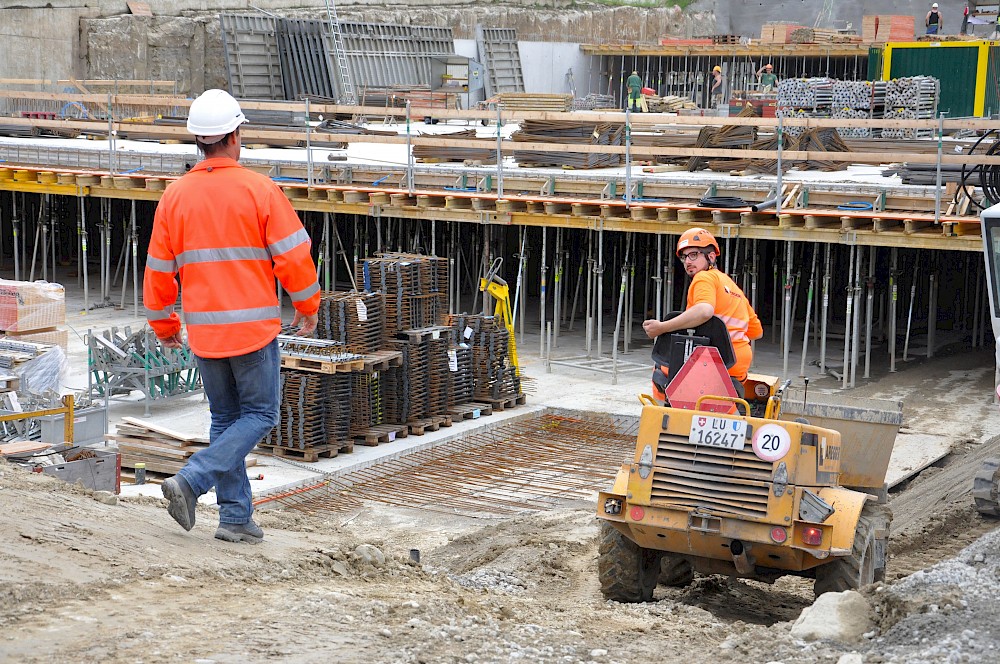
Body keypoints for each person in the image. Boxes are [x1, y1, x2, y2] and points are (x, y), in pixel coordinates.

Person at [144, 89, 320, 544]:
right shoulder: (260, 189)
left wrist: (165, 325)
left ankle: (236, 517)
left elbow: (159, 271)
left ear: (199, 142)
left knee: (225, 419)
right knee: (260, 415)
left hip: (204, 332)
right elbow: (294, 258)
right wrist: (307, 306)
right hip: (252, 331)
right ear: (235, 135)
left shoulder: (174, 197)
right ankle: (192, 478)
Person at [642, 228, 763, 401]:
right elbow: (757, 333)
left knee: (661, 371)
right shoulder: (733, 287)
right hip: (737, 366)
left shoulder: (703, 278)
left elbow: (704, 311)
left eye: (693, 255)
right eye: (684, 257)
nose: (687, 262)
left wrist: (662, 328)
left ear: (711, 257)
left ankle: (666, 419)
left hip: (712, 362)